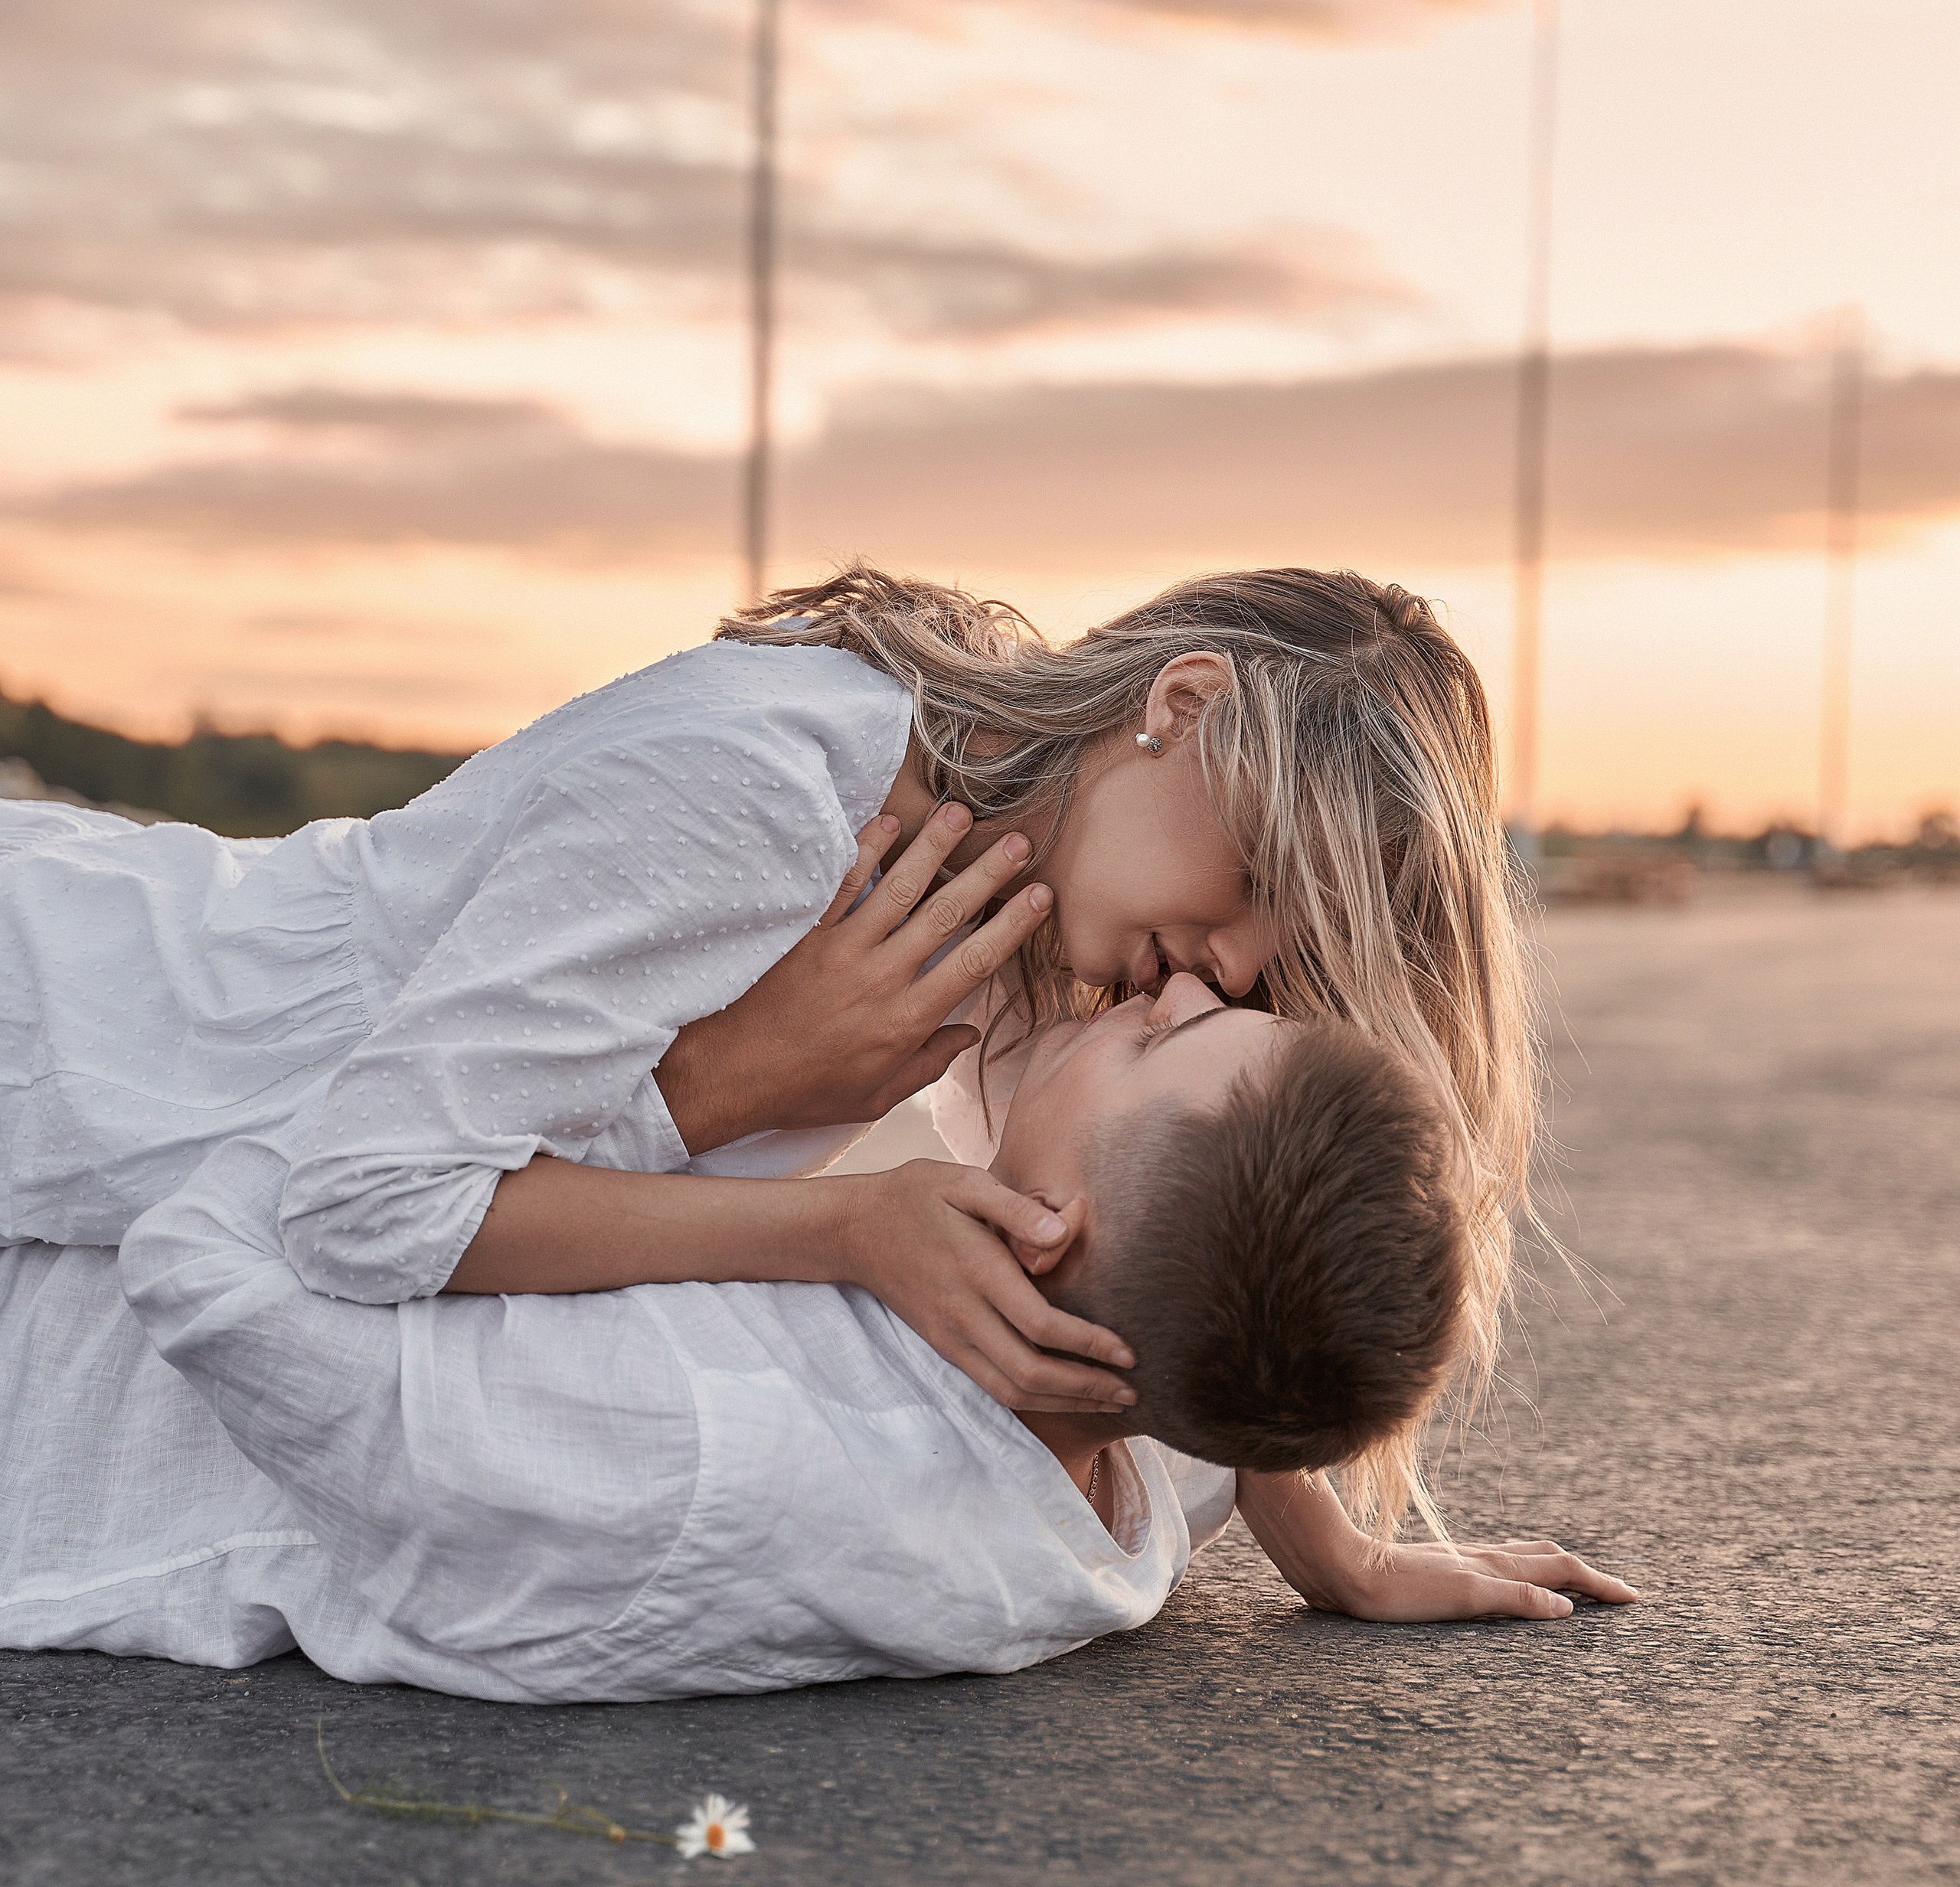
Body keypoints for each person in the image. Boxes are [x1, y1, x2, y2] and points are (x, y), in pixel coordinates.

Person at [0, 563, 1534, 1541]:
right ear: (1180, 708)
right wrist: (828, 1207)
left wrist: (1325, 1541)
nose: (1237, 967)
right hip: (55, 1014)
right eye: (1261, 882)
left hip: (96, 1181)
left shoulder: (1004, 910)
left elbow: (1171, 1238)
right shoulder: (769, 789)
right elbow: (361, 1206)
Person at [0, 972, 1635, 1699]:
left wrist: (712, 1098)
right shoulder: (1112, 1421)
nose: (1161, 986)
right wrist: (1333, 1548)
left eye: (1158, 1034)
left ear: (1042, 1215)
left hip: (52, 1394)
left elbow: (211, 1251)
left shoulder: (712, 1453)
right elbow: (1209, 1392)